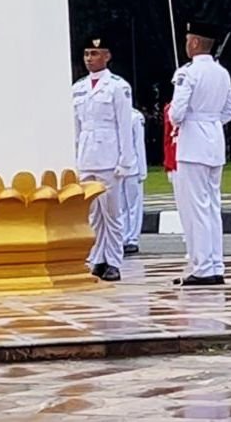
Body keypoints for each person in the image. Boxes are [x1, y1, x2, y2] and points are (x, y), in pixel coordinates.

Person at [168, 20, 231, 286]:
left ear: (195, 42)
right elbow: (229, 111)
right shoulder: (222, 73)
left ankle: (202, 266)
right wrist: (209, 121)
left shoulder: (188, 73)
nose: (186, 44)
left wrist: (191, 121)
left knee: (194, 207)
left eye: (188, 40)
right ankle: (215, 262)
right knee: (211, 206)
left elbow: (176, 113)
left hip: (193, 144)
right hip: (214, 142)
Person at [71, 35, 139, 282]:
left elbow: (124, 126)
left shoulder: (117, 87)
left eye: (95, 54)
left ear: (107, 56)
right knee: (92, 214)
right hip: (86, 157)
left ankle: (113, 261)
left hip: (109, 157)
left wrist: (125, 160)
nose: (90, 58)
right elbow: (76, 128)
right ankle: (98, 258)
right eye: (87, 53)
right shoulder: (78, 88)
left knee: (111, 212)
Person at [122, 108, 148, 256]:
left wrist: (142, 170)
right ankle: (122, 237)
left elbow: (139, 145)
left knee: (133, 205)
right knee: (120, 206)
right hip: (117, 167)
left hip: (133, 167)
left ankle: (132, 239)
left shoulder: (135, 117)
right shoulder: (112, 115)